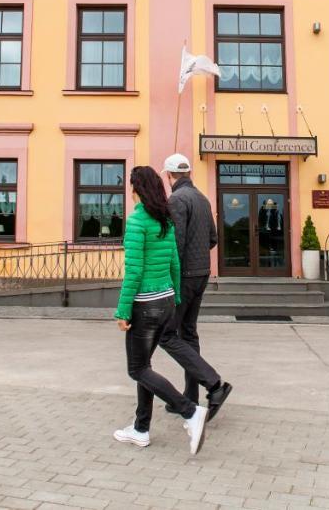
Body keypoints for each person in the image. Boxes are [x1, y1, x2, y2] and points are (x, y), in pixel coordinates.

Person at [112, 165, 209, 454]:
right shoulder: (165, 220)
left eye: (131, 186)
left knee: (137, 369)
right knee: (146, 368)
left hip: (145, 305)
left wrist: (122, 311)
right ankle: (141, 429)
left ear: (136, 190)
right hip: (166, 301)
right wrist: (175, 298)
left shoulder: (137, 222)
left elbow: (133, 271)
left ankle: (190, 411)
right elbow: (175, 265)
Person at [160, 153, 232, 419]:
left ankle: (213, 384)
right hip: (201, 273)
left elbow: (175, 245)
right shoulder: (202, 198)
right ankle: (189, 398)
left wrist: (169, 278)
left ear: (169, 176)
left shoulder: (177, 199)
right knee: (188, 334)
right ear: (188, 173)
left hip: (185, 276)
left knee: (166, 335)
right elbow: (213, 238)